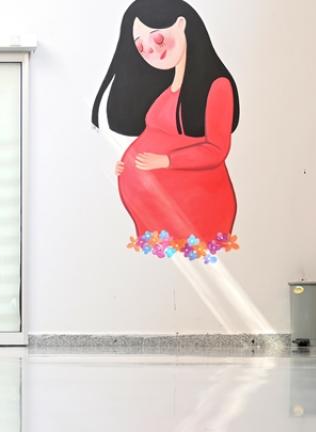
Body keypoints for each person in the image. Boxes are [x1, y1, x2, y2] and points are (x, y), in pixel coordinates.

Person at [92, 0, 241, 262]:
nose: (150, 50)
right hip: (162, 218)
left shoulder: (217, 86)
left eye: (156, 37)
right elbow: (158, 136)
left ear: (181, 24)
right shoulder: (168, 88)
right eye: (140, 46)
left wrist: (166, 161)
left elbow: (217, 150)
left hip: (196, 212)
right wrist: (128, 166)